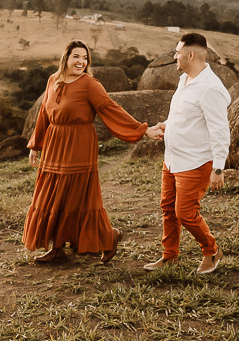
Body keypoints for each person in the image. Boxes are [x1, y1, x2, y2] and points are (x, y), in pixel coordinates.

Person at [24, 40, 149, 263]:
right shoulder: (53, 80)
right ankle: (58, 248)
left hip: (79, 144)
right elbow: (44, 113)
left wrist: (142, 131)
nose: (81, 61)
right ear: (66, 57)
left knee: (76, 197)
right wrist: (35, 145)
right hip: (54, 144)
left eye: (85, 58)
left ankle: (110, 237)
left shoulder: (90, 84)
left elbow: (111, 109)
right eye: (76, 57)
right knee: (53, 196)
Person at [144, 33, 231, 275]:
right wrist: (166, 125)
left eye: (177, 51)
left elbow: (220, 130)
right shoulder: (185, 79)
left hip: (195, 162)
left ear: (190, 54)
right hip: (172, 160)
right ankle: (169, 255)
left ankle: (211, 251)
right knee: (168, 209)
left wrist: (218, 168)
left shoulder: (210, 88)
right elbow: (184, 116)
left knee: (185, 213)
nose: (174, 56)